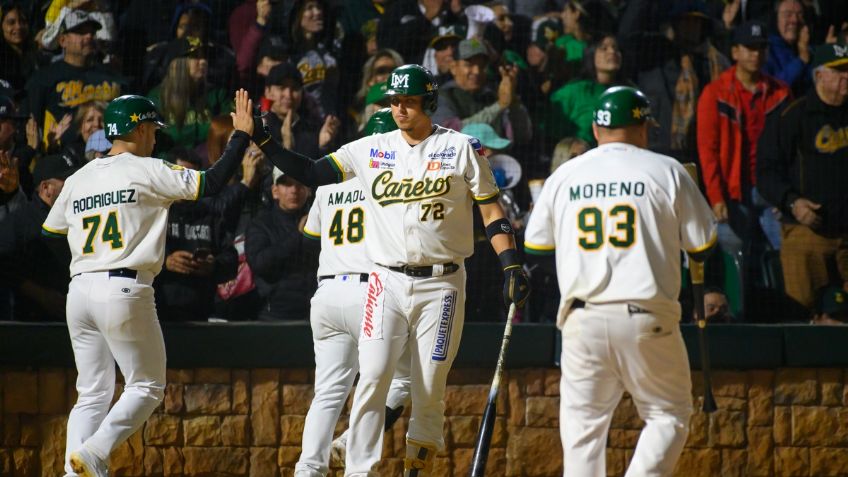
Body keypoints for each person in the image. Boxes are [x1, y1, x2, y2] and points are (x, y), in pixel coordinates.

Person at [251, 63, 530, 476]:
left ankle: (416, 467)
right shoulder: (369, 149)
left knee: (428, 386)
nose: (399, 109)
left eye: (409, 102)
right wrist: (264, 140)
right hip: (386, 281)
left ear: (429, 103)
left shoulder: (461, 148)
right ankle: (358, 471)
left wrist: (511, 263)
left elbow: (490, 209)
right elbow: (309, 171)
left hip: (443, 284)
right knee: (373, 377)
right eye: (395, 101)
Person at [42, 90, 255, 477]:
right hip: (124, 286)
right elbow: (211, 183)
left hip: (80, 290)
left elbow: (51, 232)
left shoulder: (79, 178)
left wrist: (84, 265)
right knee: (147, 386)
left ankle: (75, 473)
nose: (155, 138)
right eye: (153, 129)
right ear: (138, 129)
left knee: (91, 393)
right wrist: (240, 135)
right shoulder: (147, 169)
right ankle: (95, 453)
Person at [523, 86, 716, 476]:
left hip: (581, 319)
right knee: (668, 414)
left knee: (582, 433)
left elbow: (536, 247)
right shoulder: (667, 170)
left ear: (596, 129)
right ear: (644, 127)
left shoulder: (565, 175)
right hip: (647, 315)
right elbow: (703, 245)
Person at [296, 109, 411, 476]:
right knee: (397, 382)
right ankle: (355, 462)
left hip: (328, 291)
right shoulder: (395, 176)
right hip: (372, 292)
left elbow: (310, 235)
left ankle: (308, 469)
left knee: (328, 392)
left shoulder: (331, 178)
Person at [696, 20, 791, 320]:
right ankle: (738, 321)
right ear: (735, 51)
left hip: (771, 190)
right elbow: (707, 151)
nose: (756, 54)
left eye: (761, 48)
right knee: (735, 259)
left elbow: (791, 149)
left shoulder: (780, 93)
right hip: (733, 191)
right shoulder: (715, 93)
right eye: (749, 48)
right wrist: (716, 197)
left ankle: (784, 319)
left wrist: (787, 194)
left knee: (783, 257)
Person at [757, 43, 848, 312]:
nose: (846, 76)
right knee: (803, 313)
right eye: (839, 71)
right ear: (819, 75)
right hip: (808, 233)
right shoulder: (793, 116)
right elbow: (766, 172)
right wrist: (793, 202)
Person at [26, 10, 126, 145]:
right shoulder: (44, 79)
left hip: (110, 150)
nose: (89, 36)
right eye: (81, 32)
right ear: (63, 41)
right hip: (64, 153)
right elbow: (31, 124)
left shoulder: (113, 77)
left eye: (92, 32)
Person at [245, 167, 317, 321]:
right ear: (275, 191)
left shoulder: (321, 222)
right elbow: (260, 263)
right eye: (287, 184)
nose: (294, 190)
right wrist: (297, 235)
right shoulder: (261, 224)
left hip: (314, 314)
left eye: (300, 184)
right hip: (274, 316)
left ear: (309, 191)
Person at [432, 38, 532, 146]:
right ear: (453, 67)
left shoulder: (492, 95)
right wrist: (499, 106)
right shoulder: (441, 97)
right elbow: (450, 133)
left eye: (482, 65)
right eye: (469, 65)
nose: (477, 71)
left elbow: (523, 135)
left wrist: (513, 101)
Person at [766, 0, 811, 96]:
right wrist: (801, 61)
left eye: (800, 14)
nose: (795, 20)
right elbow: (772, 88)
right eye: (788, 14)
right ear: (776, 19)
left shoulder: (809, 46)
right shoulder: (765, 49)